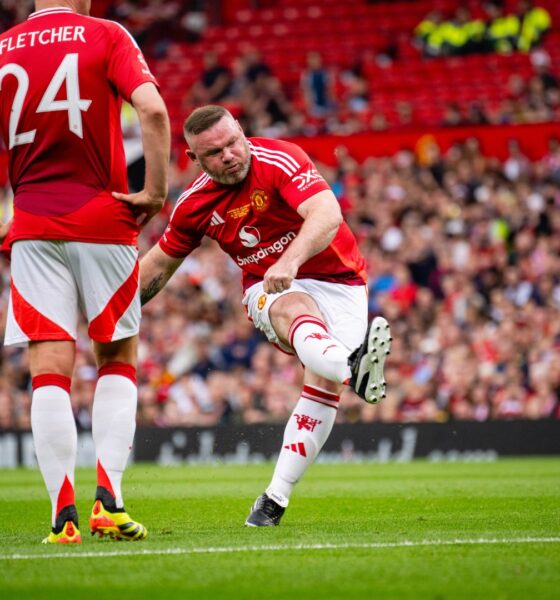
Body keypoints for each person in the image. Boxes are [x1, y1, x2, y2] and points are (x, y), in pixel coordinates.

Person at [139, 105, 391, 527]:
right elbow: (158, 267)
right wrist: (109, 311)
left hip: (341, 280)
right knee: (294, 307)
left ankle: (273, 500)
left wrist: (290, 261)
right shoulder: (194, 205)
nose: (229, 155)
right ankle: (354, 368)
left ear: (241, 129)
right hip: (268, 287)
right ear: (193, 158)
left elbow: (327, 214)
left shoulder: (280, 158)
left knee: (322, 388)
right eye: (214, 152)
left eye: (232, 142)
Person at [0, 0, 170, 543]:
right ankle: (109, 501)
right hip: (104, 214)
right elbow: (155, 111)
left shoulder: (2, 48)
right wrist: (156, 192)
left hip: (30, 220)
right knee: (116, 353)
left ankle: (61, 516)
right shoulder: (104, 33)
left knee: (48, 364)